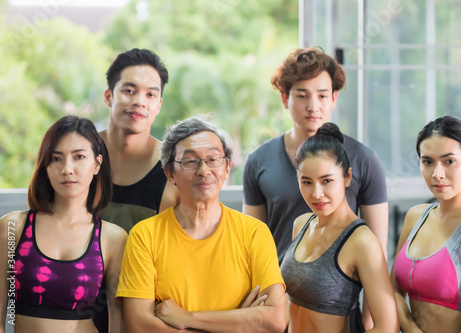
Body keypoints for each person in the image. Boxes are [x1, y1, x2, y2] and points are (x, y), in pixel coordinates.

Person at [242, 46, 388, 329]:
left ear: (334, 98)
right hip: (279, 305)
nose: (313, 106)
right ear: (285, 98)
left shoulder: (364, 160)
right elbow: (253, 247)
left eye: (322, 95)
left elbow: (377, 251)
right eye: (302, 95)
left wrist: (370, 323)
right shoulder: (258, 160)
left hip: (336, 308)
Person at [116, 115, 286, 332]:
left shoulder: (254, 233)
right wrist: (237, 322)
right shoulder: (144, 235)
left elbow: (275, 320)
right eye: (190, 161)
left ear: (226, 169)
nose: (203, 170)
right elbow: (139, 326)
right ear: (170, 173)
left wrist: (186, 318)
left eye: (213, 159)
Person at [0, 116, 128, 333]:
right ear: (45, 166)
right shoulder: (13, 226)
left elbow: (118, 321)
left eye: (79, 157)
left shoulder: (113, 237)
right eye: (56, 158)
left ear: (97, 164)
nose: (67, 169)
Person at [280, 122, 398, 333]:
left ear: (347, 177)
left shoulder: (361, 241)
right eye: (306, 182)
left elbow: (388, 327)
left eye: (326, 181)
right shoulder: (302, 224)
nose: (316, 194)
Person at [390, 116, 461, 332]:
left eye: (449, 161)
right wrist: (411, 329)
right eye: (427, 161)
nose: (437, 174)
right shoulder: (415, 217)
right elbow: (392, 290)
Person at [99, 48, 179, 233]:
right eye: (129, 90)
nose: (139, 101)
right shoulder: (76, 155)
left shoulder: (175, 169)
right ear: (109, 97)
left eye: (150, 94)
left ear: (159, 105)